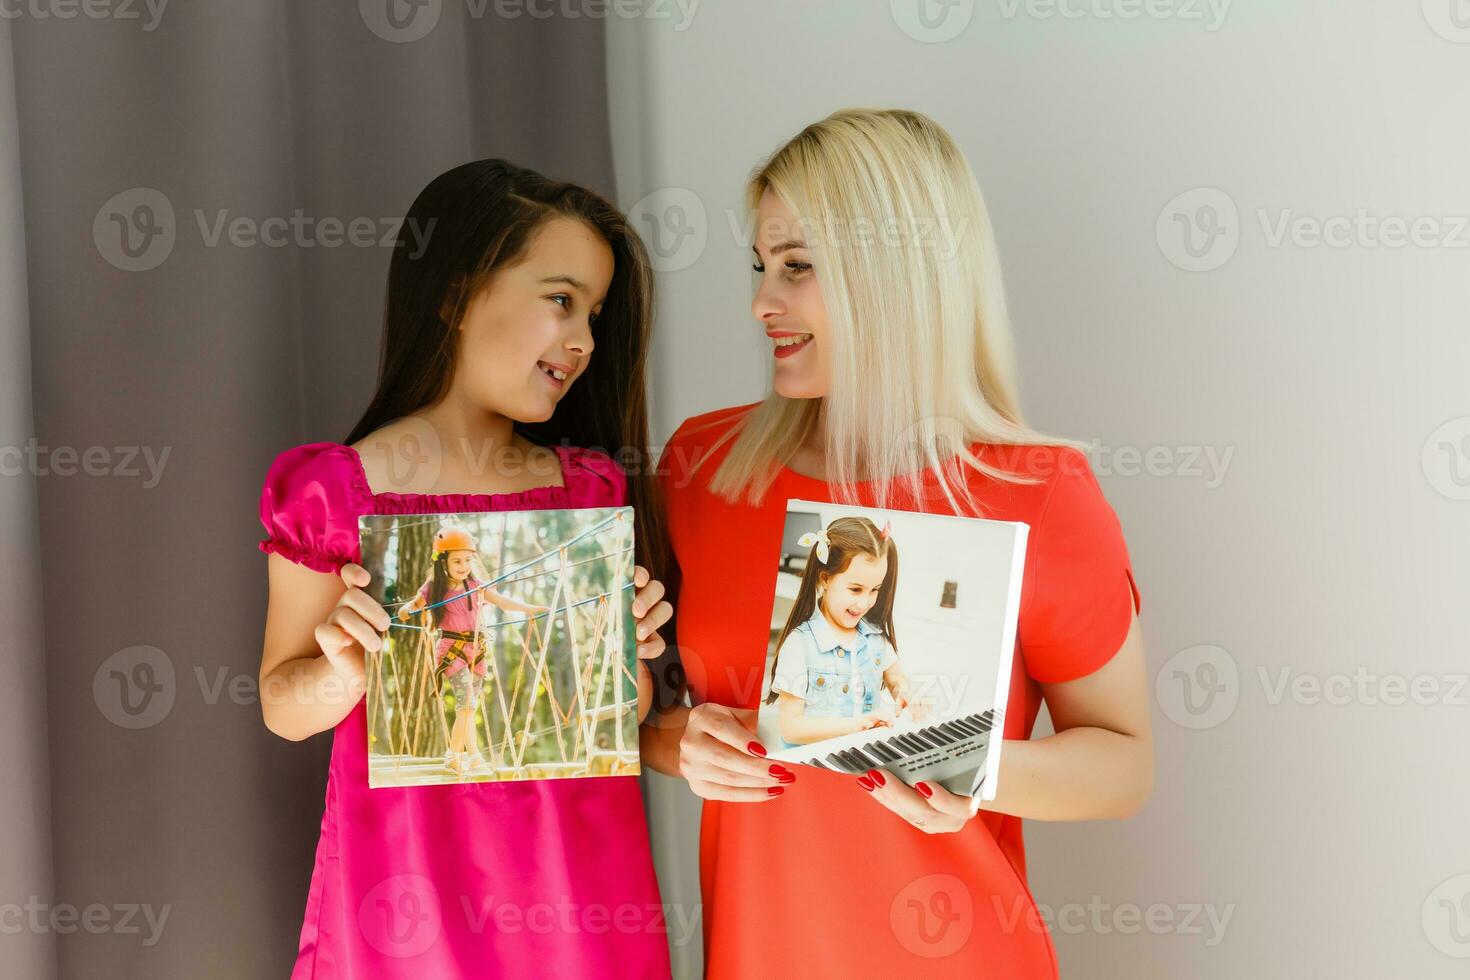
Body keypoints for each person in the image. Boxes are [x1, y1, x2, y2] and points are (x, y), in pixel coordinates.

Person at [643, 108, 1152, 978]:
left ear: (896, 274)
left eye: (798, 268)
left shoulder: (1038, 491)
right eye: (761, 266)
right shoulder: (703, 466)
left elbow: (1122, 769)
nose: (762, 302)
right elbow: (643, 712)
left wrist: (966, 769)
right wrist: (678, 741)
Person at [257, 158, 674, 978]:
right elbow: (281, 704)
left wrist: (629, 655)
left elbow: (620, 721)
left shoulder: (587, 489)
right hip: (406, 892)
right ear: (457, 293)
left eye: (595, 312)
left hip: (579, 890)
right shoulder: (334, 492)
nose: (586, 340)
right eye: (562, 299)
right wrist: (342, 672)